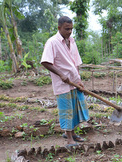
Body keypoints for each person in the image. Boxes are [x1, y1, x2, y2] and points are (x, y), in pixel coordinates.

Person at [41, 16, 89, 148]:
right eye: (67, 29)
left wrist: (79, 80)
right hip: (62, 83)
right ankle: (69, 139)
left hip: (73, 82)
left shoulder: (72, 42)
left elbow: (76, 63)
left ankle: (73, 133)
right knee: (66, 110)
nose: (69, 32)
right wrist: (61, 74)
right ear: (59, 28)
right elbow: (45, 61)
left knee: (74, 109)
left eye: (71, 29)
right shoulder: (52, 42)